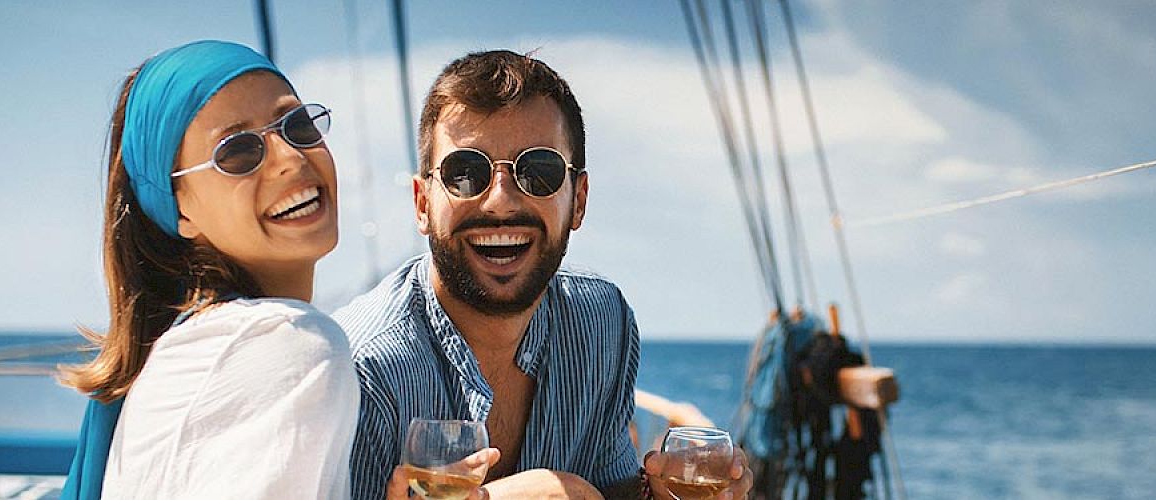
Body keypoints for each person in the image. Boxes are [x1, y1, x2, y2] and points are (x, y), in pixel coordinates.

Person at [335, 50, 750, 500]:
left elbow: (613, 491)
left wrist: (661, 494)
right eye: (465, 173)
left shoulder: (601, 324)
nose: (500, 202)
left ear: (579, 199)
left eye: (538, 172)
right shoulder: (361, 370)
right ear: (421, 203)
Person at [56, 39, 363, 500]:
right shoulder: (287, 342)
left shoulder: (198, 343)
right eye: (237, 152)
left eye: (298, 126)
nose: (291, 158)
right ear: (180, 210)